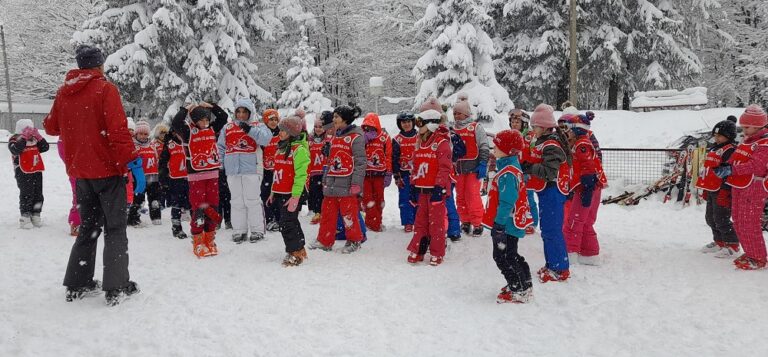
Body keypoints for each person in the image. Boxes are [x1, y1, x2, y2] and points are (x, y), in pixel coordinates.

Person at [44, 44, 141, 305]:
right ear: (99, 65)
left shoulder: (64, 92)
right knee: (115, 228)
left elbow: (50, 127)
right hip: (108, 171)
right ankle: (116, 286)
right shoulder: (105, 89)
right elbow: (118, 130)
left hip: (81, 173)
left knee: (88, 228)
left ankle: (78, 283)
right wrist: (131, 161)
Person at [171, 101, 228, 258]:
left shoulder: (211, 129)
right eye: (201, 120)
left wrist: (211, 106)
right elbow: (175, 122)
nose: (205, 123)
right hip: (196, 177)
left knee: (213, 207)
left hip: (213, 175)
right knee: (199, 209)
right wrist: (185, 109)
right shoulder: (188, 131)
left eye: (207, 119)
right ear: (195, 121)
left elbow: (224, 117)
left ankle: (209, 238)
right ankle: (197, 240)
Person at [482, 129, 533, 303]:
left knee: (503, 257)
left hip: (507, 224)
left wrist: (499, 224)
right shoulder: (509, 167)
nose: (493, 149)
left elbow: (507, 202)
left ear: (508, 150)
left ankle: (517, 289)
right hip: (510, 223)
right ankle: (524, 283)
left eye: (497, 146)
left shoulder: (508, 173)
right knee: (512, 254)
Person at [714, 105, 768, 270]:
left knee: (749, 223)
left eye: (746, 127)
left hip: (753, 187)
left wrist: (732, 169)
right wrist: (726, 166)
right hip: (739, 185)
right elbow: (736, 158)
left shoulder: (764, 144)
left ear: (758, 126)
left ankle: (758, 258)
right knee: (738, 221)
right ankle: (750, 251)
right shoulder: (747, 141)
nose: (743, 130)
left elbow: (757, 166)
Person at [522, 104, 572, 283]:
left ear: (542, 127)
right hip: (546, 192)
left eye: (534, 126)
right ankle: (552, 264)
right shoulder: (543, 142)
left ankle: (559, 268)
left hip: (553, 193)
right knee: (547, 230)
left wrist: (529, 168)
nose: (532, 130)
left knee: (552, 231)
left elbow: (549, 172)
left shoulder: (551, 145)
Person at [308, 105, 366, 253]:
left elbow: (360, 162)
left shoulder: (356, 137)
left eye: (336, 117)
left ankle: (354, 240)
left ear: (345, 119)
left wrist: (356, 184)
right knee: (327, 214)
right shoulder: (335, 136)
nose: (333, 120)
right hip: (332, 183)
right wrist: (326, 180)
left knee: (348, 215)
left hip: (347, 184)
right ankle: (325, 240)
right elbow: (330, 161)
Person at [217, 98, 273, 243]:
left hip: (252, 169)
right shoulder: (227, 128)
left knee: (252, 200)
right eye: (239, 112)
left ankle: (257, 230)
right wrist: (221, 166)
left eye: (244, 112)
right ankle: (239, 230)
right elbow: (220, 148)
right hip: (232, 171)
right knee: (236, 201)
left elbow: (266, 139)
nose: (241, 115)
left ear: (250, 113)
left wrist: (249, 130)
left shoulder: (257, 125)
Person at [406, 97, 453, 266]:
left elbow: (445, 167)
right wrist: (412, 185)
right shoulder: (419, 143)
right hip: (421, 189)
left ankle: (437, 252)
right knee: (420, 222)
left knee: (437, 224)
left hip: (435, 190)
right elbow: (415, 166)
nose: (418, 128)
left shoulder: (442, 143)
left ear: (430, 124)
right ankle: (419, 249)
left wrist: (439, 186)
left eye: (421, 124)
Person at [562, 114, 607, 266]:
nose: (567, 133)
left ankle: (570, 253)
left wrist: (587, 187)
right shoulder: (583, 143)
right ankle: (589, 253)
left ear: (577, 130)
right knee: (586, 221)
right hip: (591, 187)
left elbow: (588, 165)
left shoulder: (582, 144)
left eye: (568, 130)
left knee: (574, 221)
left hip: (587, 187)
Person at [268, 115, 310, 265]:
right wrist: (273, 192)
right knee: (290, 221)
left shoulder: (299, 150)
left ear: (292, 132)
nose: (281, 133)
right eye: (280, 130)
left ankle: (294, 253)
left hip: (293, 193)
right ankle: (299, 247)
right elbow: (277, 172)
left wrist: (296, 196)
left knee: (287, 223)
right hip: (281, 192)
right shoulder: (280, 148)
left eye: (284, 131)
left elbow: (301, 175)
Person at [697, 118, 740, 258]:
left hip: (722, 190)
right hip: (711, 189)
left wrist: (725, 191)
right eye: (715, 136)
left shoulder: (730, 150)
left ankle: (732, 245)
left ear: (728, 136)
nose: (716, 138)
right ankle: (720, 241)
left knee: (721, 218)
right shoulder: (715, 148)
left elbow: (731, 173)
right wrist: (704, 188)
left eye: (719, 136)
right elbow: (709, 169)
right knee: (710, 218)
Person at [452, 94, 489, 237]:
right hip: (458, 169)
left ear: (466, 113)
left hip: (474, 168)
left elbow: (484, 146)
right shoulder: (452, 129)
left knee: (472, 196)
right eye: (454, 113)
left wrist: (483, 163)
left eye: (459, 113)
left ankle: (477, 222)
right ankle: (465, 221)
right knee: (460, 196)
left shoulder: (475, 127)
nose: (456, 116)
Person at [9, 119, 49, 229]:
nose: (30, 132)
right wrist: (23, 138)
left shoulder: (35, 139)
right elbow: (15, 150)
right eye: (27, 129)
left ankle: (36, 214)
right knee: (27, 192)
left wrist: (39, 137)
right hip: (22, 171)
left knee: (38, 193)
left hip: (36, 169)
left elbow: (45, 147)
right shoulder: (14, 139)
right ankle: (25, 216)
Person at [361, 112, 392, 232]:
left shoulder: (384, 137)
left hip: (380, 174)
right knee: (368, 200)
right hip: (366, 175)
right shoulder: (361, 138)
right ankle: (371, 222)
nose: (369, 129)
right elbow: (355, 153)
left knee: (379, 200)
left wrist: (388, 173)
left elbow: (388, 155)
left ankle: (377, 221)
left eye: (372, 127)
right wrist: (363, 140)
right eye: (366, 127)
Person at [128, 120, 162, 227]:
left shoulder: (152, 145)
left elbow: (156, 158)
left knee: (155, 199)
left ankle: (156, 218)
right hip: (139, 179)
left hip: (153, 177)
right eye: (141, 134)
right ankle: (133, 219)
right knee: (139, 200)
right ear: (136, 134)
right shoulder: (133, 145)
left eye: (145, 134)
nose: (143, 136)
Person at [509, 109, 539, 235]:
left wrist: (529, 164)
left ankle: (532, 222)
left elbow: (536, 152)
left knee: (528, 197)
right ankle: (518, 219)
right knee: (515, 197)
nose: (514, 124)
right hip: (513, 171)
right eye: (513, 121)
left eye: (517, 122)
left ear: (524, 123)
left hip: (527, 171)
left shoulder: (530, 136)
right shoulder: (509, 135)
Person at [159, 127, 191, 239]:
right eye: (178, 132)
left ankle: (196, 227)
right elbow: (162, 162)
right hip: (176, 178)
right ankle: (176, 227)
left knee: (192, 203)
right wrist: (163, 179)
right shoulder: (170, 144)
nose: (180, 134)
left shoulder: (190, 141)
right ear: (173, 132)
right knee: (176, 203)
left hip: (191, 177)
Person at [392, 112, 418, 232]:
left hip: (420, 174)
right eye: (404, 122)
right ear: (400, 124)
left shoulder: (420, 136)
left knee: (419, 198)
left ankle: (419, 220)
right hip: (404, 174)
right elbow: (394, 158)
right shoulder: (397, 140)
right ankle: (408, 222)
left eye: (409, 122)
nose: (407, 124)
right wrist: (396, 175)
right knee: (405, 198)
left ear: (413, 122)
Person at [261, 109, 282, 232]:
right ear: (265, 121)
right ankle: (269, 219)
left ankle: (279, 219)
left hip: (279, 170)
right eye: (271, 120)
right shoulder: (263, 134)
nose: (274, 122)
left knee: (279, 195)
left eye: (275, 120)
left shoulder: (282, 133)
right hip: (266, 170)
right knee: (266, 194)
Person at [307, 116, 329, 225]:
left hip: (324, 171)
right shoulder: (310, 141)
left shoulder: (327, 140)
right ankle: (317, 212)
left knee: (323, 193)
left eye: (320, 127)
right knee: (315, 193)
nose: (318, 129)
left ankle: (324, 212)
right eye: (316, 127)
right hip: (313, 172)